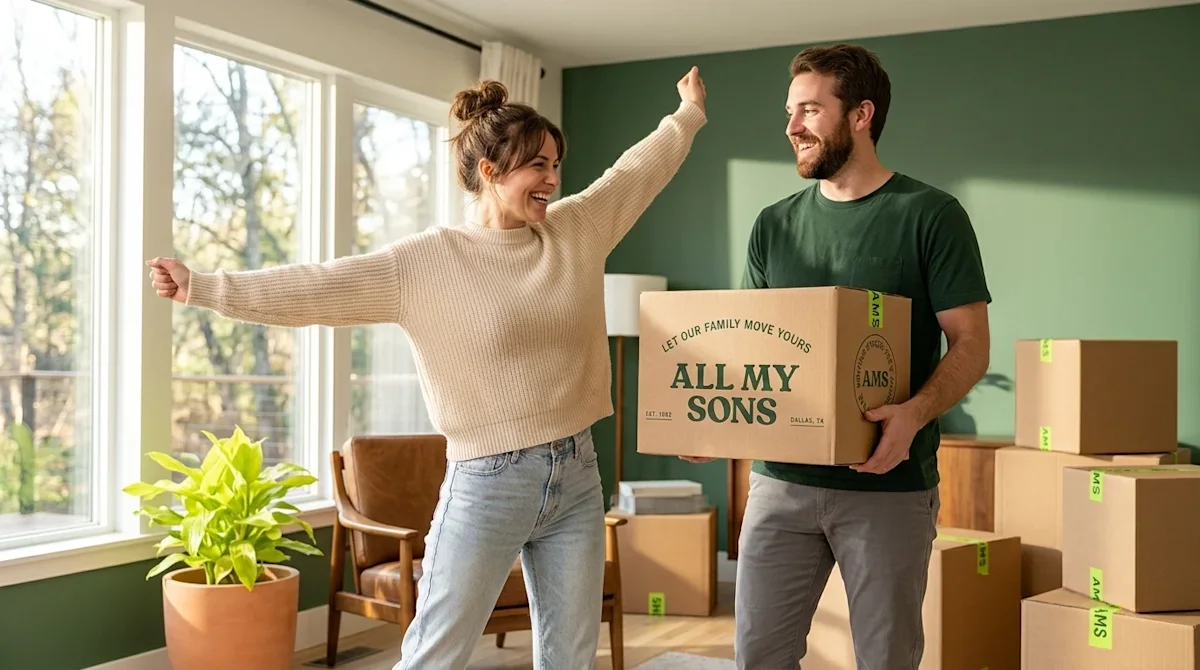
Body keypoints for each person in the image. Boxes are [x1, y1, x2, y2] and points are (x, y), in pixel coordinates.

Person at [148, 68, 708, 669]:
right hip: (489, 483)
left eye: (554, 165)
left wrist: (687, 114)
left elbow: (633, 176)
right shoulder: (425, 263)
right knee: (435, 655)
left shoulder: (576, 231)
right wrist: (206, 288)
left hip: (576, 473)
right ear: (491, 173)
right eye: (537, 166)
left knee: (570, 656)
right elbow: (317, 288)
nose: (552, 178)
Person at [685, 45, 991, 669]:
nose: (792, 126)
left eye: (809, 110)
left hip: (888, 486)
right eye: (790, 111)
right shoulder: (774, 225)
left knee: (886, 658)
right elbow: (755, 346)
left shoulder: (929, 215)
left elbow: (971, 343)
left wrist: (914, 412)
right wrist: (719, 424)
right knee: (759, 657)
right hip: (779, 484)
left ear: (860, 115)